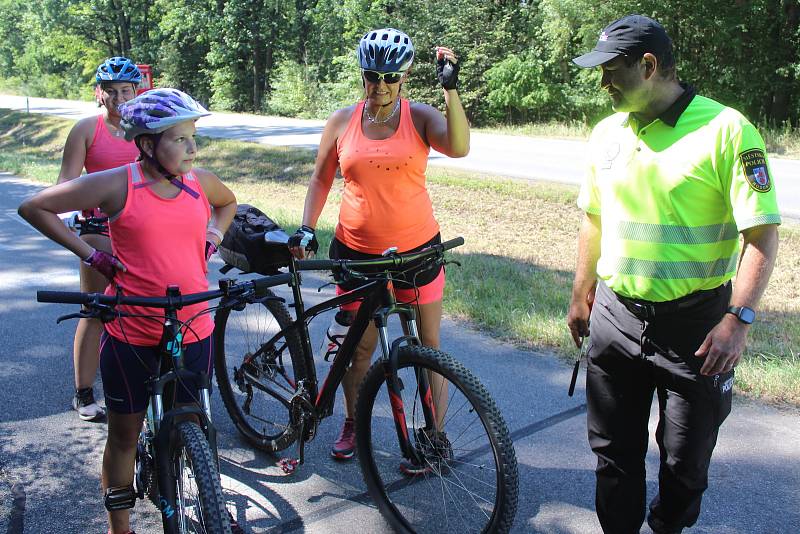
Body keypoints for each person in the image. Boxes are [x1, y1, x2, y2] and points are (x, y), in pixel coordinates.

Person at [566, 15, 780, 534]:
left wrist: (739, 319)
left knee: (685, 465)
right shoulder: (606, 133)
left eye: (611, 71)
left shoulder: (727, 129)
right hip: (616, 318)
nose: (603, 83)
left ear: (649, 65)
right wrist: (580, 294)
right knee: (613, 456)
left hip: (697, 329)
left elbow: (762, 237)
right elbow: (593, 220)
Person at [19, 88, 237, 534]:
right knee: (124, 434)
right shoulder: (121, 183)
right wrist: (91, 255)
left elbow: (227, 203)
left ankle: (208, 500)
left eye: (193, 136)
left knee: (194, 423)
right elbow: (35, 206)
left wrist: (213, 237)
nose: (192, 147)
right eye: (178, 138)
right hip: (133, 332)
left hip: (193, 327)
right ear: (147, 144)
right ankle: (120, 526)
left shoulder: (199, 181)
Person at [288, 28, 469, 472]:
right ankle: (353, 421)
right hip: (357, 254)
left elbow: (460, 146)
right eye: (372, 75)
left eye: (390, 77)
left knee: (429, 346)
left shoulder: (421, 117)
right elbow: (320, 178)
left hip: (418, 253)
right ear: (362, 75)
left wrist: (451, 89)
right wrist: (307, 227)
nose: (381, 85)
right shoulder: (341, 122)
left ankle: (435, 437)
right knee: (360, 350)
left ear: (403, 77)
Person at [58, 56, 142, 422]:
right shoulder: (86, 130)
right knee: (96, 309)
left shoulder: (147, 127)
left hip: (141, 225)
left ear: (138, 92)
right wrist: (74, 206)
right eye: (111, 92)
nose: (119, 99)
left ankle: (150, 382)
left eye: (126, 91)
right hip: (99, 227)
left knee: (151, 305)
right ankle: (84, 392)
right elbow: (66, 184)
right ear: (100, 94)